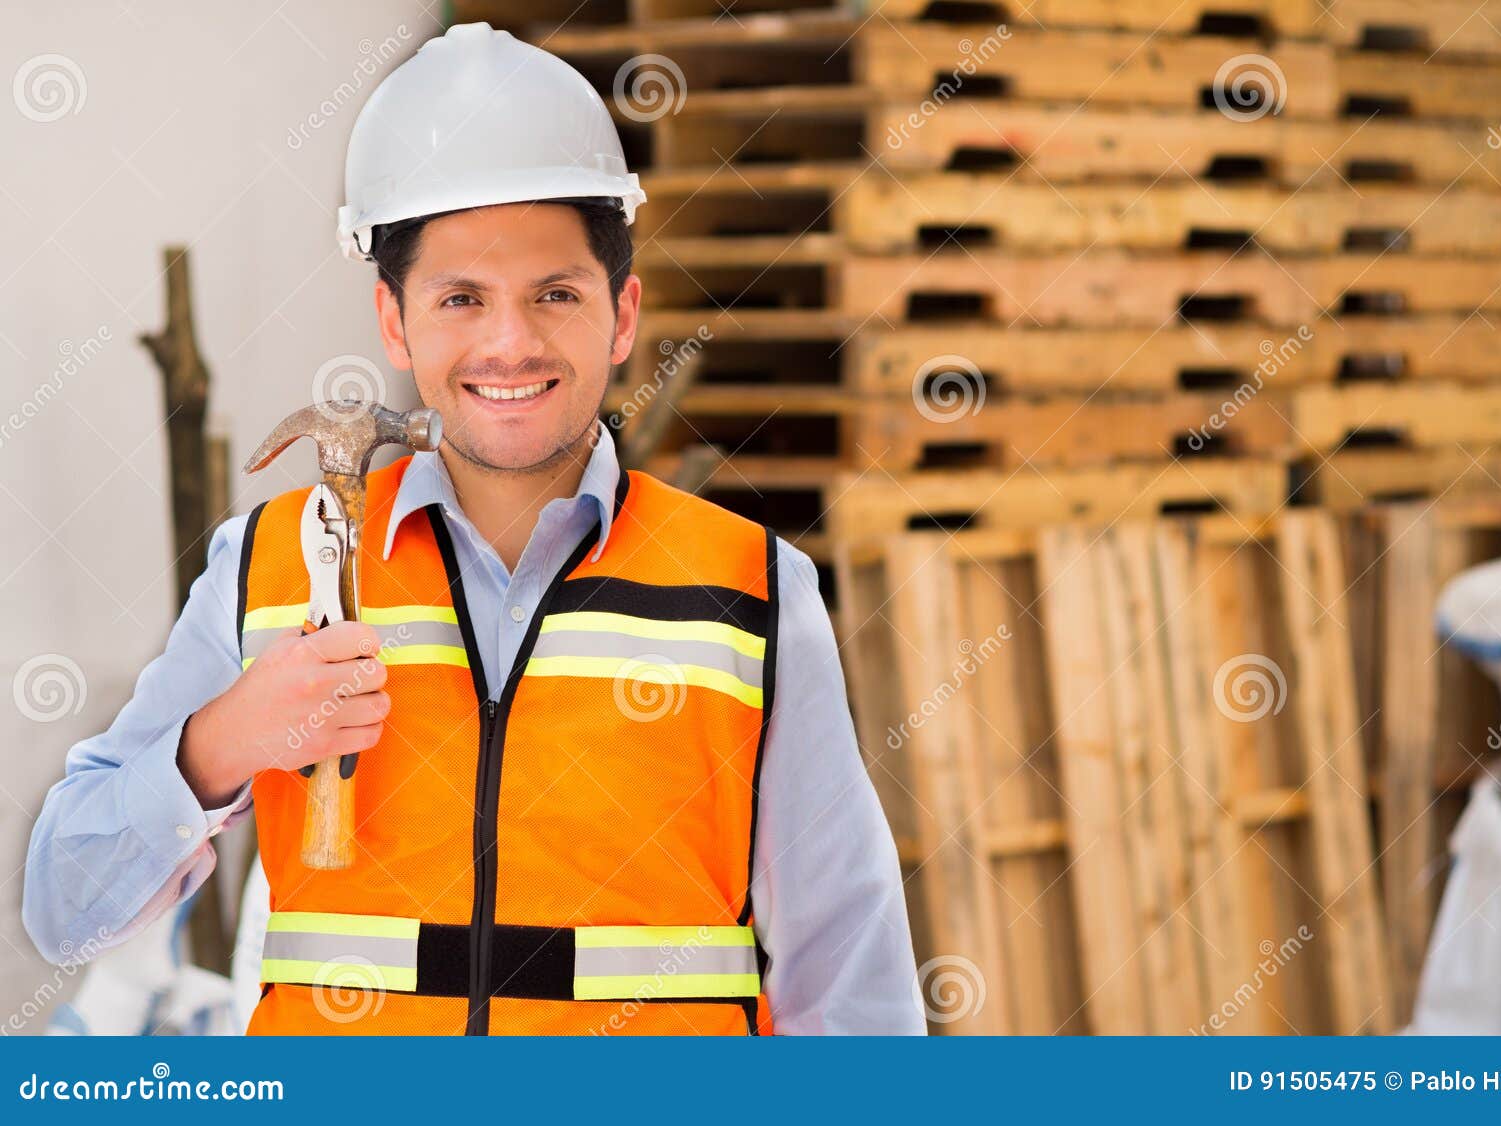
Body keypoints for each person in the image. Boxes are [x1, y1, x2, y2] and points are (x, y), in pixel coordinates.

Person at [23, 22, 924, 1036]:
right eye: (461, 297)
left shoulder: (750, 588)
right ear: (394, 320)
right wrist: (223, 741)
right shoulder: (267, 571)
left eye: (554, 294)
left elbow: (853, 985)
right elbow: (65, 913)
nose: (508, 342)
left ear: (622, 316)